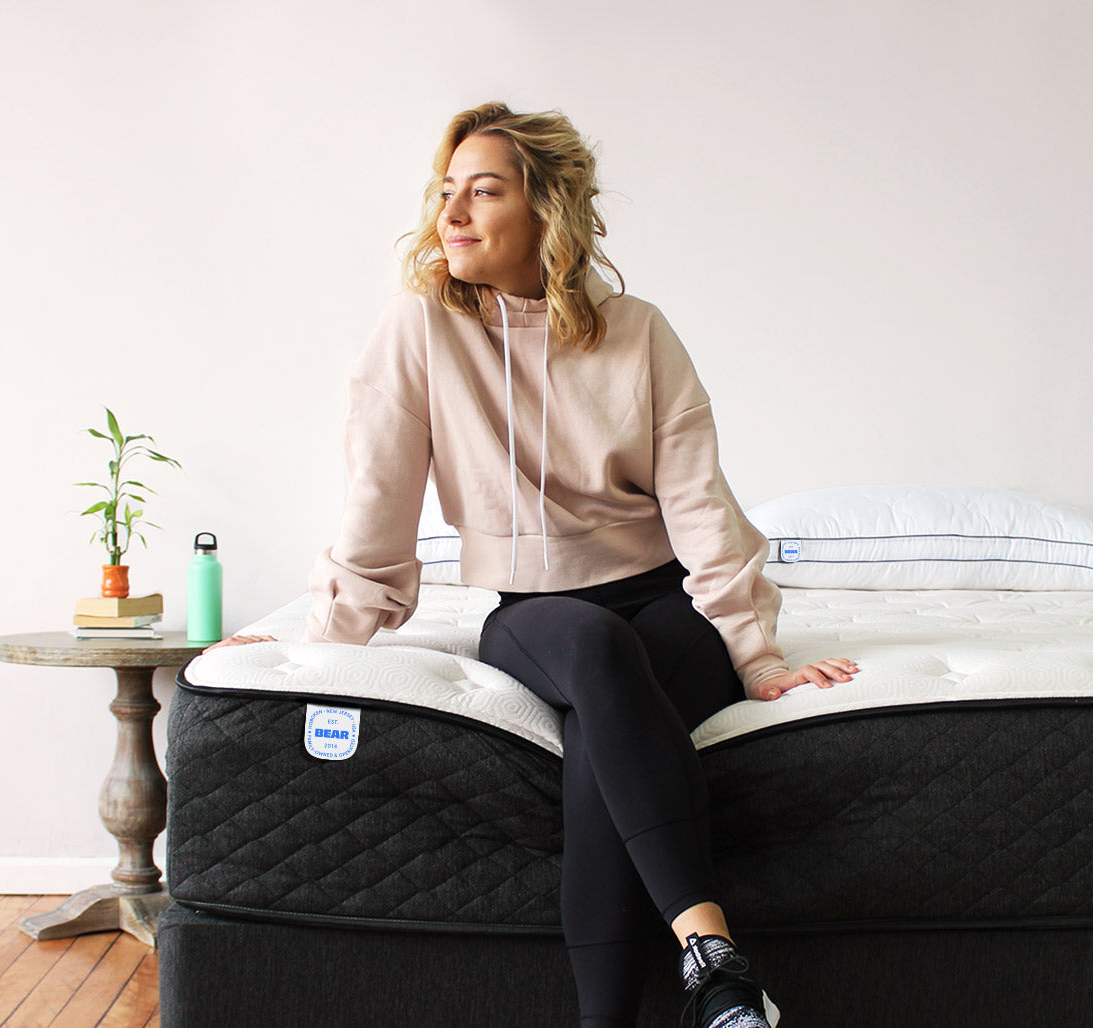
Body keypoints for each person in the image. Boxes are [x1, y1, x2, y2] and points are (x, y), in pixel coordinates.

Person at [215, 101, 860, 1028]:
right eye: (447, 191)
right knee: (596, 650)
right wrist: (321, 650)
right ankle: (713, 956)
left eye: (484, 191)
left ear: (545, 209)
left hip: (666, 603)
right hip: (538, 616)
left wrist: (757, 656)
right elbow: (376, 506)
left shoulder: (638, 331)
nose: (452, 212)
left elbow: (700, 503)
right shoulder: (420, 328)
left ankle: (648, 1010)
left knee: (602, 742)